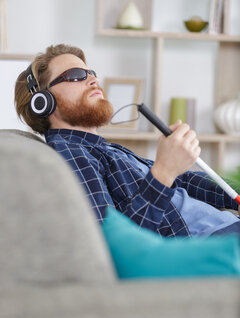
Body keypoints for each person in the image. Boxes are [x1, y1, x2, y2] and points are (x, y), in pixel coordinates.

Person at [15, 44, 240, 238]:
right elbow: (117, 245)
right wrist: (163, 173)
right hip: (210, 244)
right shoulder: (71, 155)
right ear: (42, 102)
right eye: (76, 75)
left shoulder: (103, 149)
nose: (93, 80)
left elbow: (183, 181)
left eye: (90, 72)